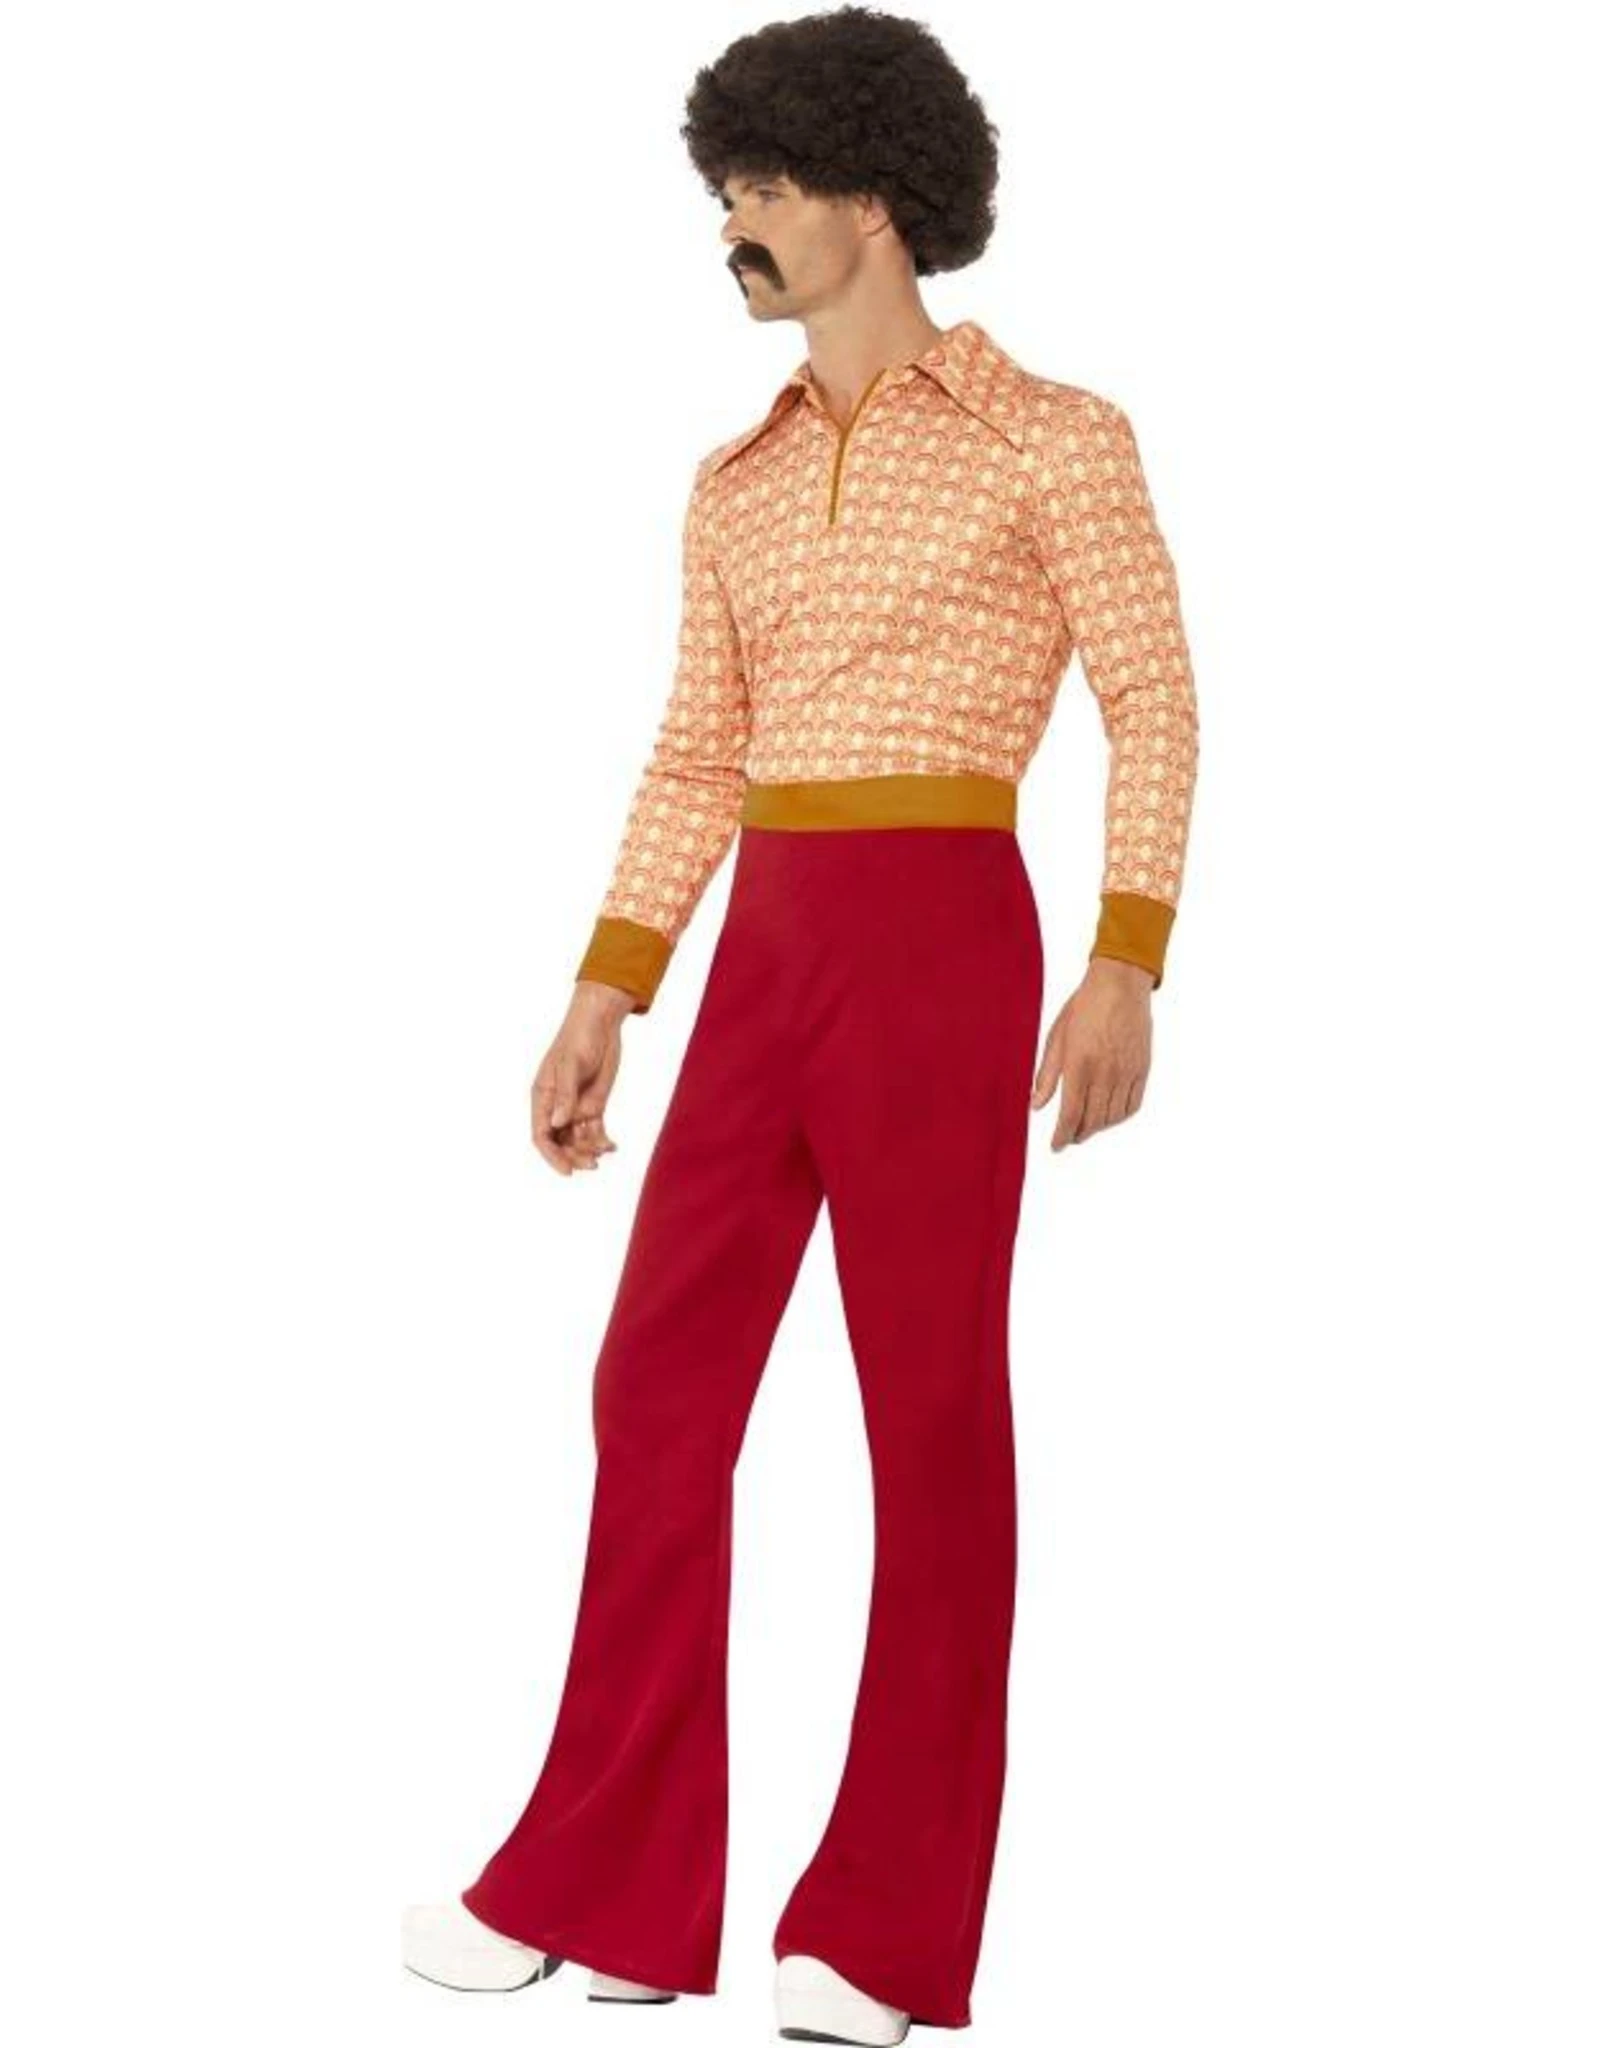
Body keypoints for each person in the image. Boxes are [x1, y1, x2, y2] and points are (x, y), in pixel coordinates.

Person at [402, 7, 1199, 2040]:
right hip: (763, 941)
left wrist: (1126, 953)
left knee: (925, 1414)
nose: (733, 224)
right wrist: (607, 988)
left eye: (763, 186)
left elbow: (1153, 700)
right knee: (654, 1387)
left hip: (941, 935)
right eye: (723, 187)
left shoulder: (1056, 435)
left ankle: (885, 1929)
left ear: (872, 197)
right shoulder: (731, 482)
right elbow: (694, 751)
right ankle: (604, 1885)